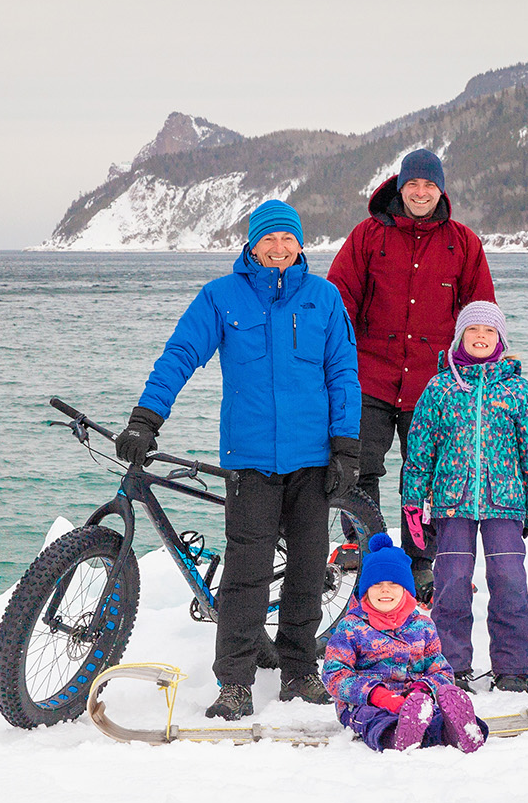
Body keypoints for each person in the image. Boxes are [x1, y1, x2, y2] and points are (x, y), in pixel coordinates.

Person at [115, 199, 362, 719]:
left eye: (287, 239)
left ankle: (300, 672)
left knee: (306, 570)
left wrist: (346, 446)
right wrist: (146, 418)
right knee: (245, 575)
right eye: (267, 239)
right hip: (249, 461)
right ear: (251, 244)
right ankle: (235, 684)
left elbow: (343, 374)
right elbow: (181, 354)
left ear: (300, 244)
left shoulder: (324, 298)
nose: (277, 248)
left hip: (313, 459)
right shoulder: (220, 297)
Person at [328, 148, 496, 594]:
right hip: (370, 377)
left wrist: (477, 368)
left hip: (434, 383)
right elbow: (337, 301)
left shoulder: (462, 242)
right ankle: (370, 549)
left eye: (429, 185)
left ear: (441, 189)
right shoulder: (366, 236)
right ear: (399, 187)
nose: (420, 193)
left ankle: (422, 560)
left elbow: (481, 312)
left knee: (425, 473)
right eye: (413, 185)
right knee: (360, 467)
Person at [401, 301, 528, 694]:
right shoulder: (441, 388)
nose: (481, 337)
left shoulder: (517, 390)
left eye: (489, 331)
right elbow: (419, 451)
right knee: (451, 583)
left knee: (508, 581)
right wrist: (414, 502)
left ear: (500, 339)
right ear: (460, 338)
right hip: (452, 502)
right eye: (473, 331)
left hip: (505, 503)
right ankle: (449, 667)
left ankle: (515, 667)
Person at [320, 533, 488, 753]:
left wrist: (422, 689)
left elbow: (442, 671)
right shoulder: (351, 627)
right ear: (366, 591)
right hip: (366, 702)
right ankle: (396, 737)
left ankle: (457, 731)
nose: (385, 590)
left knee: (434, 715)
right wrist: (376, 694)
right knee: (373, 719)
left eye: (393, 584)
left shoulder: (423, 627)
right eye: (377, 584)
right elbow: (334, 673)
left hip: (416, 702)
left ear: (407, 590)